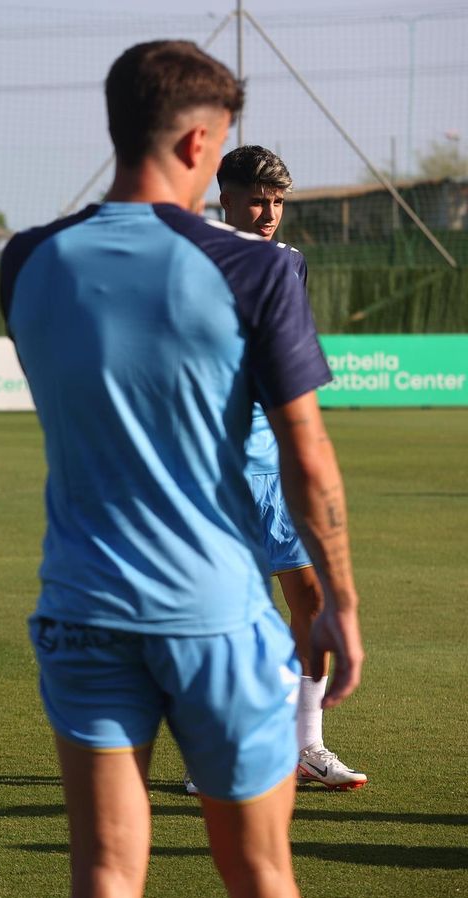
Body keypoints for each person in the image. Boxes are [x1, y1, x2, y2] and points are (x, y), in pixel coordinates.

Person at [0, 41, 364, 898]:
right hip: (213, 614)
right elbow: (308, 458)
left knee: (106, 871)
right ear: (201, 144)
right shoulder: (258, 269)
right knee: (260, 870)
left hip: (81, 606)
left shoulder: (25, 261)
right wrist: (340, 602)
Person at [211, 144, 367, 791]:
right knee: (227, 615)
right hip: (216, 469)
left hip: (273, 465)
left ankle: (307, 746)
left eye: (278, 201)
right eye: (257, 199)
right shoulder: (195, 258)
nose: (270, 212)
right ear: (224, 195)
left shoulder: (289, 264)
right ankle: (222, 756)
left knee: (308, 598)